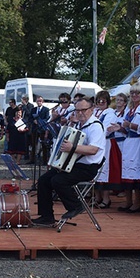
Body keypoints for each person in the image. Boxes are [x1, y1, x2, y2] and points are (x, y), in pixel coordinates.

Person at [33, 97, 105, 226]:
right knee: (44, 180)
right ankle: (46, 216)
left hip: (88, 167)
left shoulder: (95, 127)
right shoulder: (79, 124)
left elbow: (93, 149)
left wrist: (72, 147)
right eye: (77, 110)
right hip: (74, 164)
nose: (80, 113)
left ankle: (76, 206)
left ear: (92, 109)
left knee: (58, 180)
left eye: (84, 110)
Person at [118, 83, 140, 213]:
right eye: (132, 93)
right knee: (127, 171)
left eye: (137, 93)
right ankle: (128, 201)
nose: (134, 95)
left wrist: (129, 124)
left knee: (136, 173)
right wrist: (120, 128)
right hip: (128, 142)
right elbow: (125, 129)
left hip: (138, 142)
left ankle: (137, 202)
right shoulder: (129, 110)